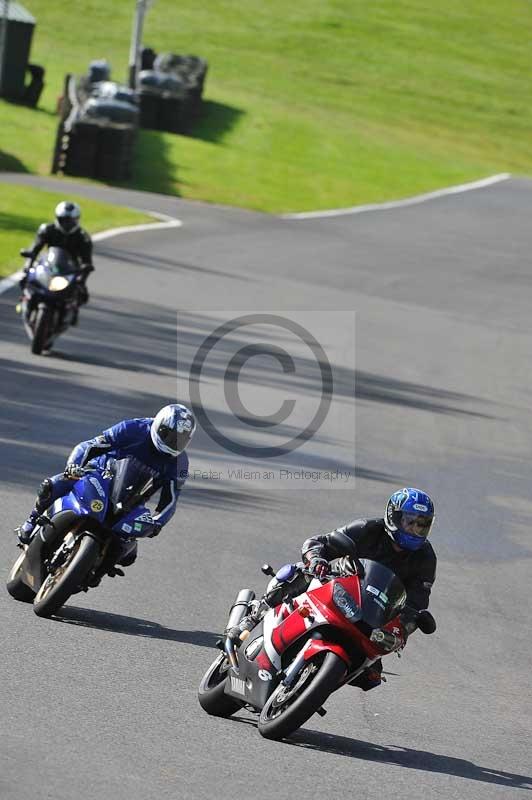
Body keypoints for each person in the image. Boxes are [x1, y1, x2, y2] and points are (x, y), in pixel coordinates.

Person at [231, 488, 436, 691]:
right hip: (340, 585)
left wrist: (406, 624)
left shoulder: (426, 558)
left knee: (371, 677)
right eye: (410, 522)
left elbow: (417, 601)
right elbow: (319, 542)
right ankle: (256, 615)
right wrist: (317, 559)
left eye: (422, 525)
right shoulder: (367, 528)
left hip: (373, 614)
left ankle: (312, 689)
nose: (415, 530)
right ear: (394, 517)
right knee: (299, 572)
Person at [14, 404, 195, 573]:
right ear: (160, 426)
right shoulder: (134, 428)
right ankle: (32, 520)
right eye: (169, 436)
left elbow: (171, 499)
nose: (172, 443)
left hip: (131, 501)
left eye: (179, 441)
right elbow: (91, 445)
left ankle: (95, 570)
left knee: (128, 554)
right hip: (100, 474)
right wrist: (74, 466)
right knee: (54, 484)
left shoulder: (180, 463)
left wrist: (157, 523)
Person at [19, 201, 94, 317]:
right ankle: (25, 301)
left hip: (69, 271)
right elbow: (35, 249)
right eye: (64, 220)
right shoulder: (47, 229)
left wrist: (82, 277)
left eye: (70, 221)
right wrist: (28, 265)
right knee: (25, 279)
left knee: (81, 294)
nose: (67, 224)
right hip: (48, 265)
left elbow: (87, 261)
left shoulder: (83, 237)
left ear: (77, 220)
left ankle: (71, 312)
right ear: (58, 218)